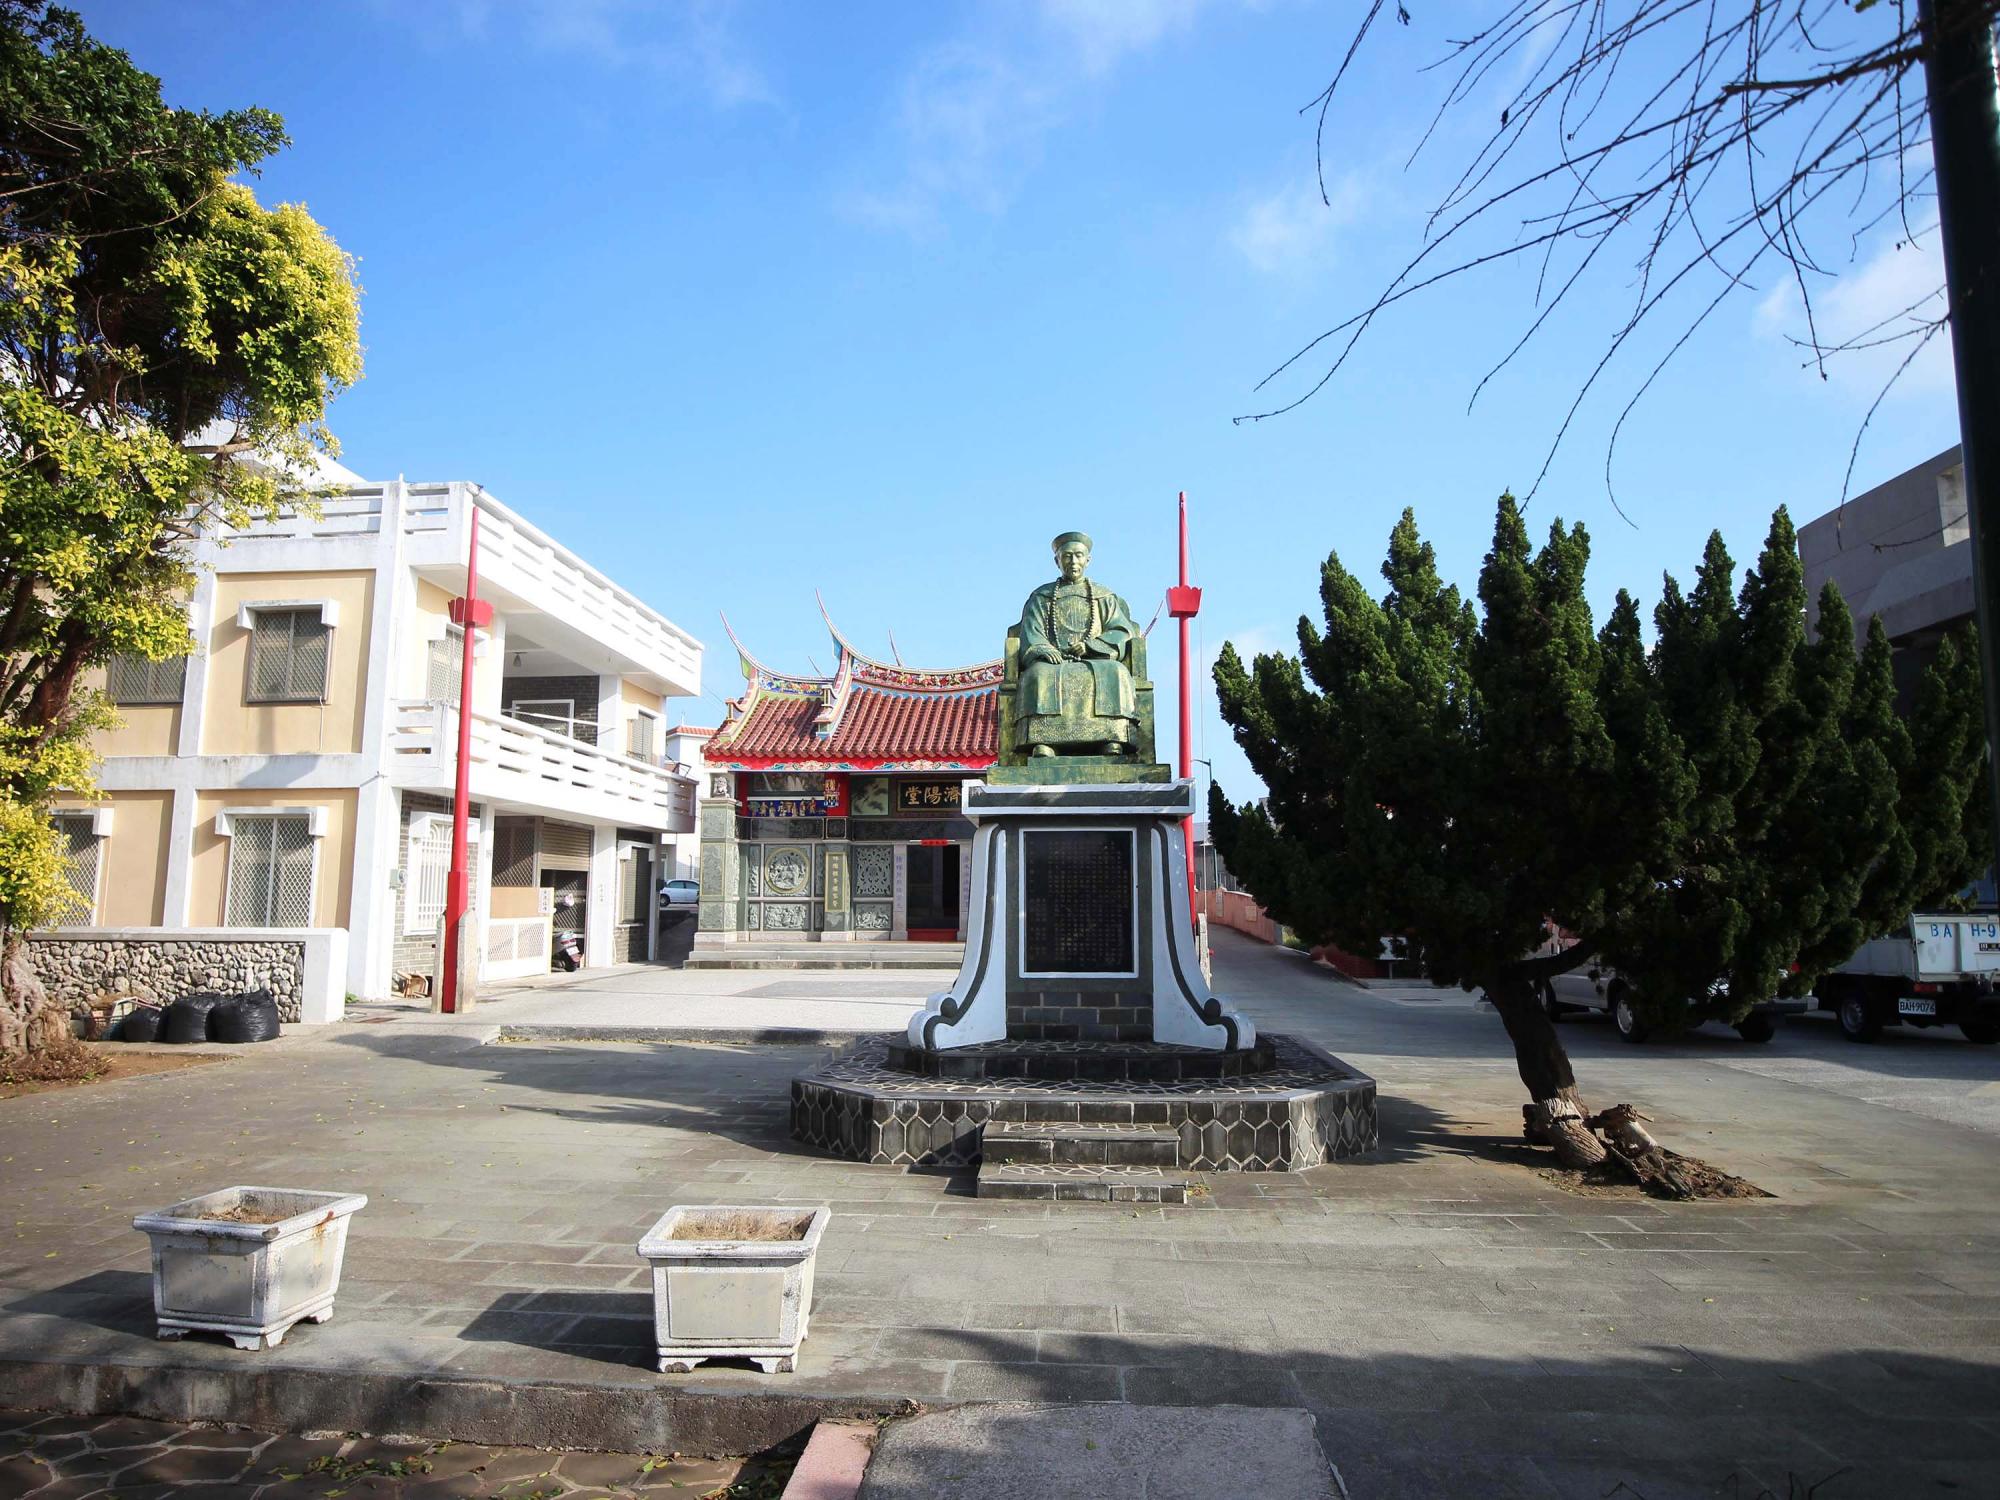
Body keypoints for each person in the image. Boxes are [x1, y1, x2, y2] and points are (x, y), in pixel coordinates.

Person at [1016, 531, 1140, 757]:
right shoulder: (1042, 597)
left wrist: (1092, 646)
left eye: (1078, 556)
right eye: (1067, 556)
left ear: (1087, 560)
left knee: (1116, 672)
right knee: (1038, 675)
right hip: (1053, 661)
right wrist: (1044, 649)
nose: (1073, 561)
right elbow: (1031, 631)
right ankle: (1045, 741)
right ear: (1057, 561)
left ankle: (1111, 739)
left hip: (1096, 658)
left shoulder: (1103, 596)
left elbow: (1122, 631)